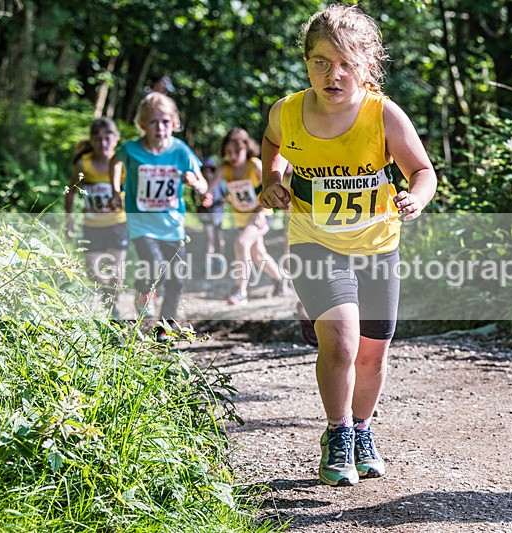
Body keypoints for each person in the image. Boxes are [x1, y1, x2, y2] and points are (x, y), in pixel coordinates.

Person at [259, 3, 437, 486]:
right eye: (320, 61)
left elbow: (423, 171)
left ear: (366, 66)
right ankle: (337, 433)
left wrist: (416, 198)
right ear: (307, 63)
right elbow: (271, 145)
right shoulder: (288, 112)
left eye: (345, 64)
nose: (332, 74)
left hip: (378, 246)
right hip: (315, 242)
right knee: (340, 340)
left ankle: (362, 429)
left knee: (372, 354)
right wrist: (271, 178)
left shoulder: (383, 116)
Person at [110, 92, 207, 342]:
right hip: (142, 224)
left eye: (165, 121)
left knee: (176, 280)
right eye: (153, 122)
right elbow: (114, 162)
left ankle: (163, 329)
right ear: (142, 125)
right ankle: (143, 291)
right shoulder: (131, 149)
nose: (160, 127)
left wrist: (194, 182)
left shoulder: (180, 151)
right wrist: (114, 189)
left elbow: (203, 183)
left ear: (174, 124)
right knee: (154, 265)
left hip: (172, 226)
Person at [206, 127, 285, 305]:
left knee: (241, 243)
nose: (233, 156)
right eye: (228, 152)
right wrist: (207, 195)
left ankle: (240, 291)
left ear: (247, 148)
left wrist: (260, 210)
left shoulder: (255, 165)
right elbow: (209, 189)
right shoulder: (224, 168)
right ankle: (280, 280)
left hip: (261, 215)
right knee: (258, 255)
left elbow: (269, 186)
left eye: (237, 151)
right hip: (241, 219)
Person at [65, 117, 128, 319]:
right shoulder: (85, 164)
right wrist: (69, 220)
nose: (103, 143)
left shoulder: (123, 163)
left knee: (116, 273)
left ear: (116, 139)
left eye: (107, 138)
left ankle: (114, 307)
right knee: (95, 272)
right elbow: (71, 192)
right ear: (92, 140)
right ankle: (107, 302)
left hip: (118, 223)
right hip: (91, 225)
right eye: (98, 139)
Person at [196, 157, 227, 262]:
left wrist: (221, 201)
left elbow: (227, 195)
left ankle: (220, 261)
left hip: (217, 213)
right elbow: (194, 197)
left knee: (219, 239)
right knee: (209, 238)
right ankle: (208, 263)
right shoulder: (199, 183)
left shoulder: (219, 181)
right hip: (205, 213)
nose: (207, 173)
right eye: (205, 170)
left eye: (210, 170)